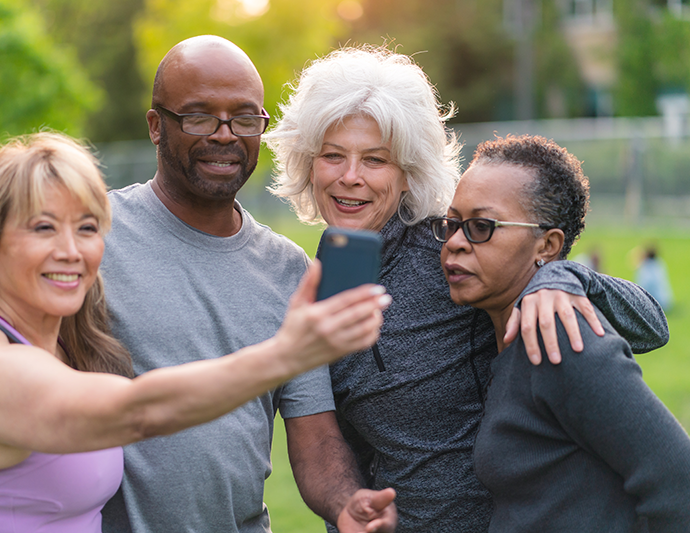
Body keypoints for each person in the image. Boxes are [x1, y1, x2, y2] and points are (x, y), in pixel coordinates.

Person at [0, 37, 398, 533]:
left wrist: (344, 503)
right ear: (156, 126)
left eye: (244, 118)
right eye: (199, 116)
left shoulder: (289, 270)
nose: (225, 135)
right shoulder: (96, 232)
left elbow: (314, 436)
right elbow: (6, 344)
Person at [264, 45, 670, 531]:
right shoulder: (310, 289)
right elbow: (324, 445)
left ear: (407, 172)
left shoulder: (454, 249)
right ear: (308, 163)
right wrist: (346, 509)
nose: (350, 177)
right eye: (333, 156)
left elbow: (651, 325)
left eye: (375, 160)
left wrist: (565, 277)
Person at [436, 134, 690, 530]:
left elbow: (679, 484)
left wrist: (567, 276)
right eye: (451, 224)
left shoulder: (563, 340)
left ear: (548, 245)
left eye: (481, 227)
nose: (454, 243)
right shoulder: (503, 333)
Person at [636, 246, 673, 311]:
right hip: (665, 300)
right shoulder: (660, 264)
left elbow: (645, 286)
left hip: (655, 302)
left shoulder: (646, 268)